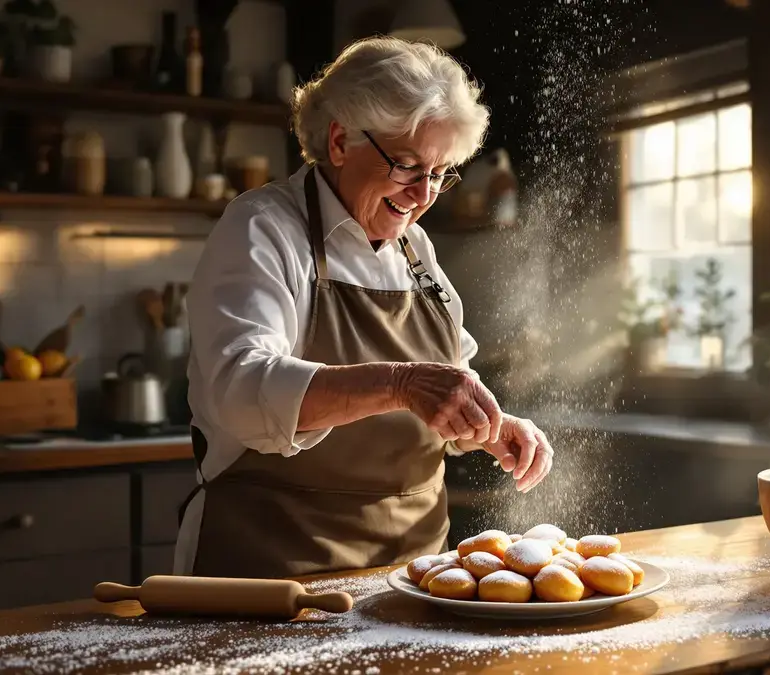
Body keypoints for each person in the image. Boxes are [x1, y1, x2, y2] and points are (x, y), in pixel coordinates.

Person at [174, 37, 554, 579]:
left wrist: (495, 429)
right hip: (270, 575)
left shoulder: (415, 250)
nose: (424, 194)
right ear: (338, 141)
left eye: (441, 172)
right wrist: (400, 383)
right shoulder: (263, 229)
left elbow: (447, 386)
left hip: (413, 577)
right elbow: (241, 388)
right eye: (406, 166)